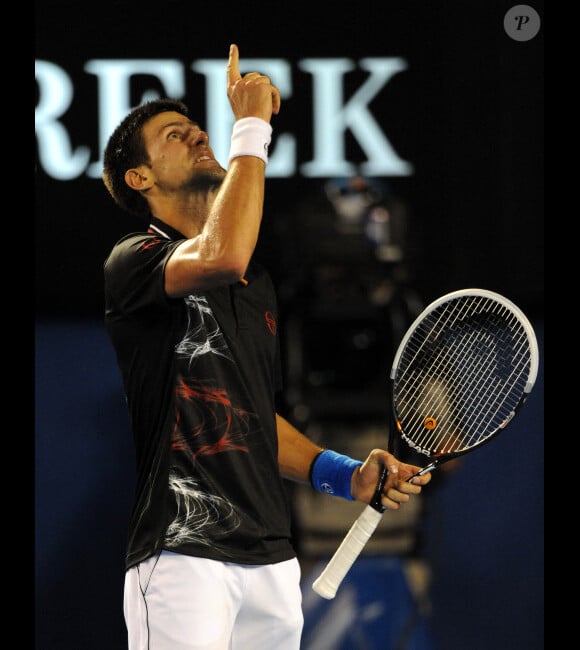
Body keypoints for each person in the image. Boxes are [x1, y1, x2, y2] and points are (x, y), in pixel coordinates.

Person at [102, 43, 431, 650]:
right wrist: (250, 127)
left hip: (273, 565)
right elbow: (222, 253)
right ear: (139, 178)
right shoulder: (136, 260)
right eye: (177, 135)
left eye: (200, 129)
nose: (199, 137)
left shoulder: (257, 287)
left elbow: (251, 416)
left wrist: (345, 475)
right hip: (182, 554)